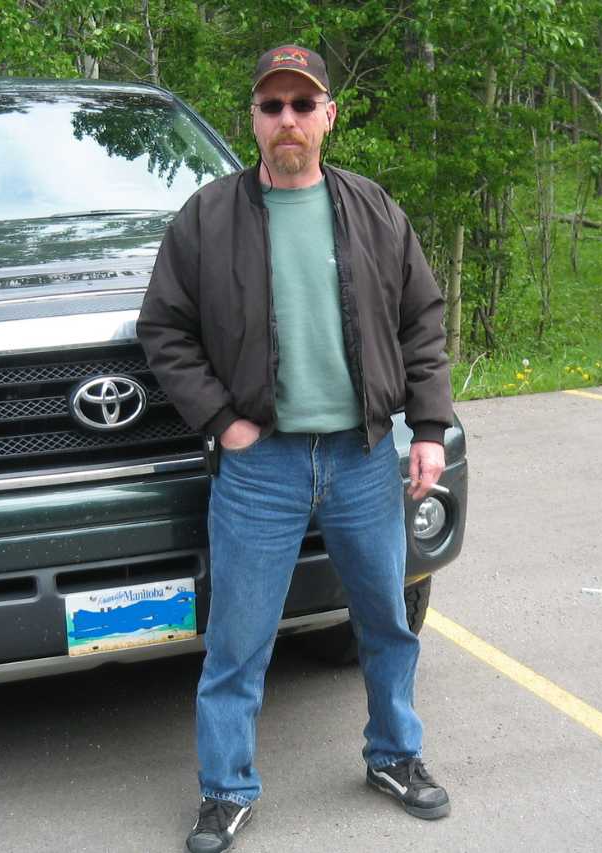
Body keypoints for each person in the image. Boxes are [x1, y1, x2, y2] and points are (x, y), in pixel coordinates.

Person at [137, 43, 454, 853]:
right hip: (259, 466)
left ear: (327, 118)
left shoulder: (374, 210)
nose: (287, 120)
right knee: (239, 640)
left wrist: (427, 430)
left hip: (362, 457)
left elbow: (422, 321)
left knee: (386, 621)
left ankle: (395, 755)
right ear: (253, 119)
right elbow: (164, 329)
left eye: (302, 105)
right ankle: (226, 791)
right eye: (272, 106)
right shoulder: (208, 218)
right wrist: (222, 422)